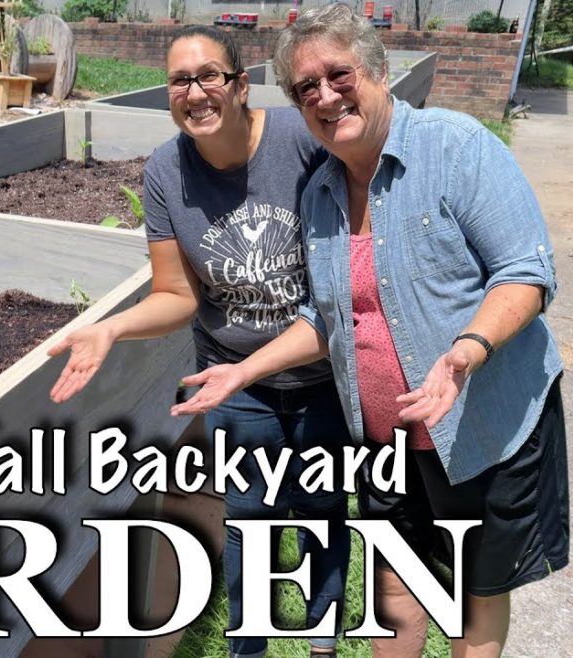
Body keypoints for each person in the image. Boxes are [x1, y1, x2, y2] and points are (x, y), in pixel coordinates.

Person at [173, 5, 570, 657]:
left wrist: (465, 353)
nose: (325, 96)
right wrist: (244, 370)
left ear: (378, 71)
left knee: (474, 599)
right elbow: (325, 318)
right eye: (307, 89)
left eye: (338, 74)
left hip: (481, 428)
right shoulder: (322, 191)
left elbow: (526, 272)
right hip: (387, 441)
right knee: (395, 592)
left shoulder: (456, 147)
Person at [47, 25, 349, 658]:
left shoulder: (298, 143)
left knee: (321, 508)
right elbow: (177, 296)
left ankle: (323, 636)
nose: (195, 92)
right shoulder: (166, 170)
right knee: (249, 519)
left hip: (321, 370)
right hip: (231, 376)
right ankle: (249, 647)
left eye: (210, 75)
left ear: (240, 86)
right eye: (180, 80)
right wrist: (111, 326)